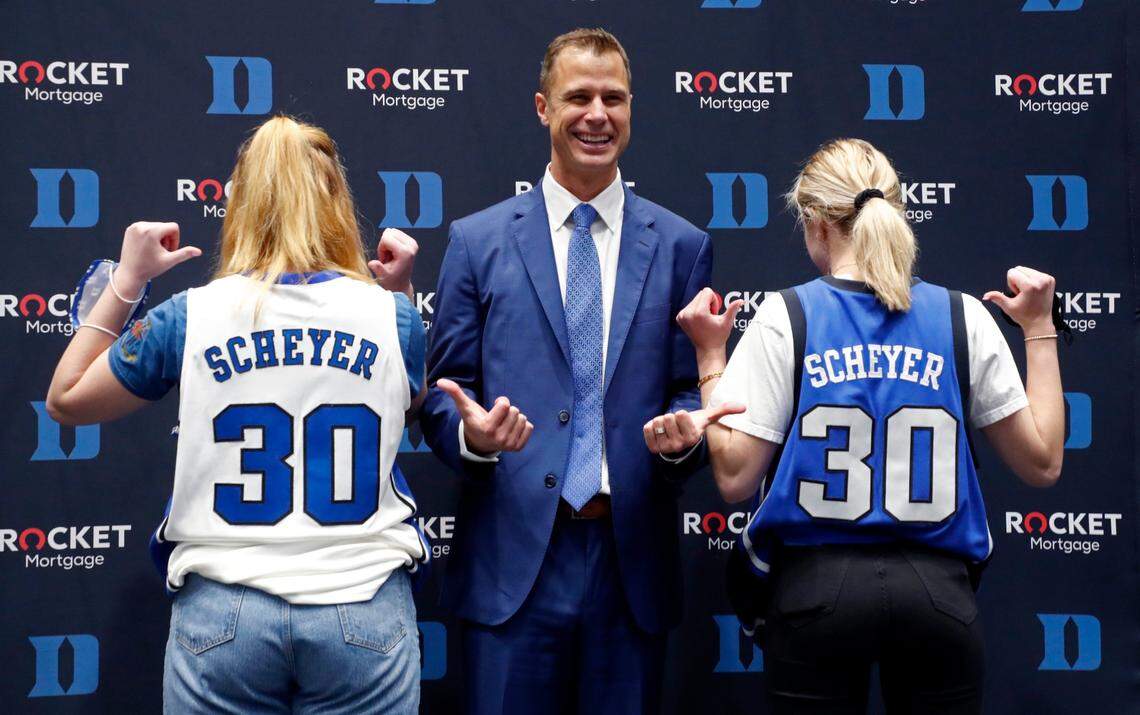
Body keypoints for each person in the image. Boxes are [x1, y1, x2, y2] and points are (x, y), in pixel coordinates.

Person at [654, 138, 1064, 714]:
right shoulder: (961, 314)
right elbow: (1043, 462)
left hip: (815, 594)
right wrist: (1039, 328)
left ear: (816, 222)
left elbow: (734, 476)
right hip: (938, 595)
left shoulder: (785, 314)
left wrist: (709, 357)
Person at [45, 116, 427, 714]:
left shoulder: (190, 315)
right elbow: (408, 395)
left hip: (225, 610)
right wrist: (397, 292)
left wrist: (128, 278)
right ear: (335, 201)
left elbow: (66, 400)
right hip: (363, 604)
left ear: (242, 201)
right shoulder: (395, 317)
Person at [420, 27, 731, 715]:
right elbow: (445, 396)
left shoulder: (682, 246)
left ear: (631, 107)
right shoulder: (478, 241)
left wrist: (686, 442)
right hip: (513, 566)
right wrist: (475, 437)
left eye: (613, 98)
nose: (598, 115)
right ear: (542, 107)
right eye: (578, 97)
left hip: (632, 567)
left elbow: (690, 387)